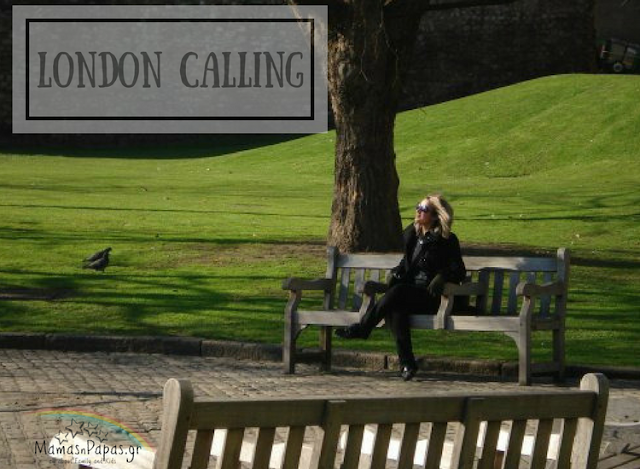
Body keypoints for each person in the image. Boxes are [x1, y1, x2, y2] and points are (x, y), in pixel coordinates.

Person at [335, 194, 466, 381]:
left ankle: (364, 328)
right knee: (395, 309)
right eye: (418, 207)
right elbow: (406, 263)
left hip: (432, 296)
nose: (418, 211)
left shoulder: (447, 240)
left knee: (397, 293)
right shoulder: (412, 234)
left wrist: (443, 276)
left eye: (424, 209)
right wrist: (397, 272)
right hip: (409, 294)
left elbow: (459, 270)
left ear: (436, 215)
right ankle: (407, 364)